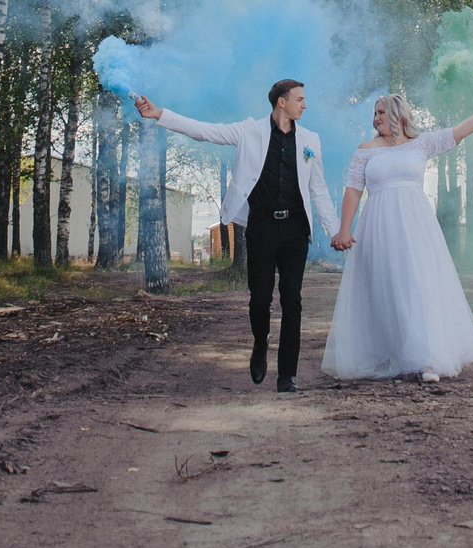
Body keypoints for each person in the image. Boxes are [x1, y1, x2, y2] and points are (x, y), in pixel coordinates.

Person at [131, 79, 338, 392]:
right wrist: (160, 114)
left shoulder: (310, 139)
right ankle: (260, 343)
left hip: (295, 228)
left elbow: (318, 188)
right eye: (300, 99)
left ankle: (287, 376)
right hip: (262, 227)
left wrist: (335, 230)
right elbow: (204, 130)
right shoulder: (249, 131)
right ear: (281, 102)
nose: (305, 104)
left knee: (292, 299)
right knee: (259, 298)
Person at [321, 91, 473, 382]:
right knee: (384, 285)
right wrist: (344, 229)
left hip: (416, 225)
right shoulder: (365, 150)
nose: (376, 118)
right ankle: (388, 352)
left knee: (417, 284)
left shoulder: (421, 143)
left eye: (381, 112)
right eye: (375, 113)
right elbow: (353, 190)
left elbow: (460, 130)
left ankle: (427, 359)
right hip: (378, 225)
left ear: (399, 114)